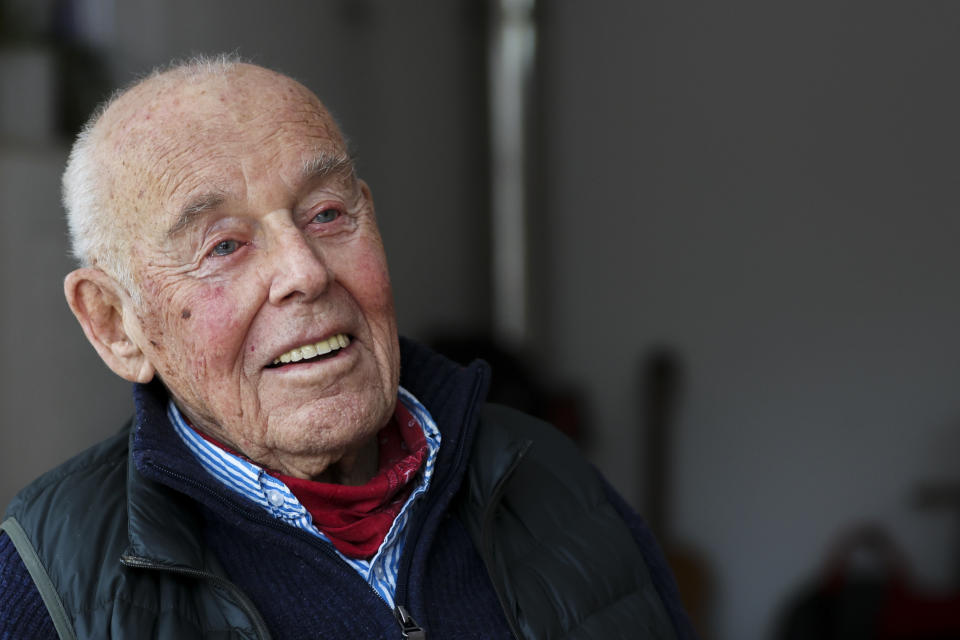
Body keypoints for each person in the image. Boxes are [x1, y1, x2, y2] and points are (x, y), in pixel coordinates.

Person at [0, 56, 696, 639]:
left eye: (327, 214)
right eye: (225, 245)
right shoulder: (44, 584)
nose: (304, 271)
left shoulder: (547, 480)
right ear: (115, 324)